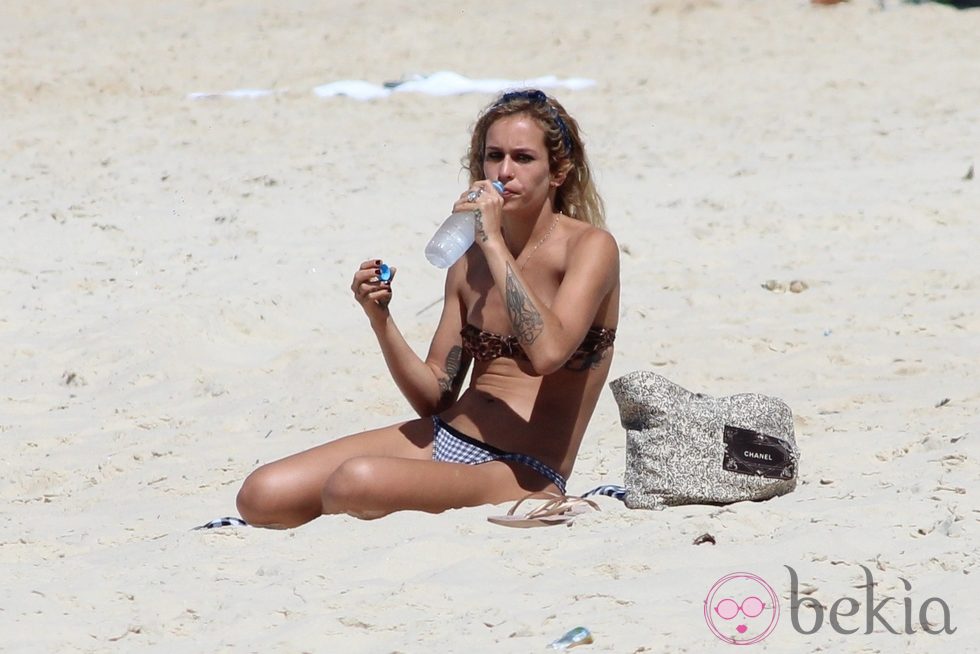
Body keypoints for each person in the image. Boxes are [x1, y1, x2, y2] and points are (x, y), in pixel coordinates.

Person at [236, 89, 620, 528]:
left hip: (523, 469)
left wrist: (492, 241)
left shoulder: (589, 247)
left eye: (523, 158)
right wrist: (380, 319)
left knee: (353, 481)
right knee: (261, 495)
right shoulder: (469, 259)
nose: (505, 172)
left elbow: (549, 353)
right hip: (446, 435)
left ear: (558, 172)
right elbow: (435, 395)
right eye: (494, 156)